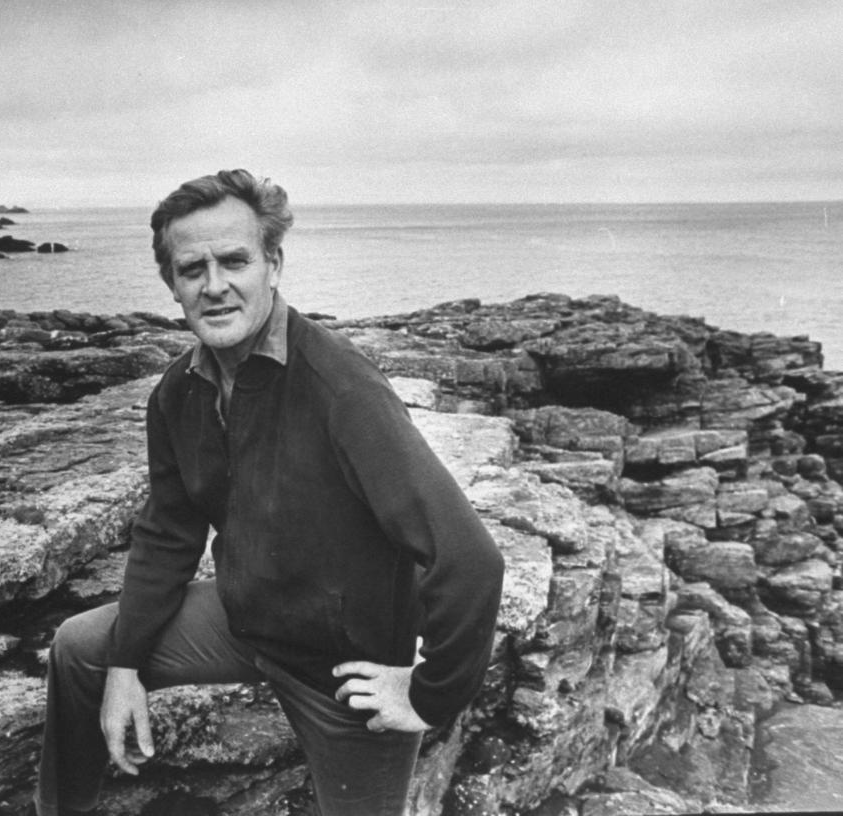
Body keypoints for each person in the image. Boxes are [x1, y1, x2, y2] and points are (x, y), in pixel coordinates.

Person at [35, 169, 505, 816]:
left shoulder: (341, 391)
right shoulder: (180, 393)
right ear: (171, 284)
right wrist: (125, 669)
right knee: (81, 649)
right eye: (192, 268)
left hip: (343, 667)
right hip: (246, 619)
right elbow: (169, 534)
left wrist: (427, 695)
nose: (214, 285)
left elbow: (470, 560)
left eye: (234, 261)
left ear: (273, 264)